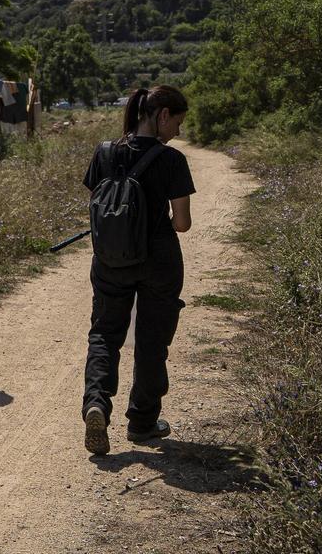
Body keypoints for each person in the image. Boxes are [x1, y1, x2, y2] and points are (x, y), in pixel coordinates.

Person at [82, 85, 195, 455]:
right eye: (177, 121)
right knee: (151, 341)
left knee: (104, 334)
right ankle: (143, 422)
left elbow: (100, 204)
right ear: (162, 115)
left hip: (111, 258)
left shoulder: (105, 152)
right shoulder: (172, 160)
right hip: (159, 261)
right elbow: (181, 224)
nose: (178, 130)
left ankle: (96, 404)